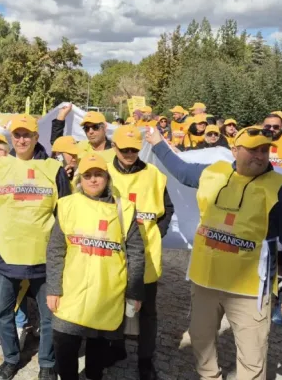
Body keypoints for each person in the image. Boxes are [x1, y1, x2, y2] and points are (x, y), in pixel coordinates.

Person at [146, 126, 282, 380]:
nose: (260, 155)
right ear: (234, 150)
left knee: (252, 354)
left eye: (265, 150)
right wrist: (157, 143)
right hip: (205, 281)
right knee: (200, 339)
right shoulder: (213, 173)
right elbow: (179, 170)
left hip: (249, 290)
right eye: (252, 149)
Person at [0, 114, 72, 380]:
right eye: (17, 135)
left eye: (26, 135)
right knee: (3, 313)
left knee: (49, 316)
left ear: (35, 137)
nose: (21, 139)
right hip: (7, 255)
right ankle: (10, 358)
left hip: (44, 256)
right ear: (11, 138)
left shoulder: (54, 169)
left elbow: (66, 214)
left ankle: (46, 363)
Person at [47, 153, 146, 380]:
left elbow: (136, 253)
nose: (93, 180)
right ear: (80, 179)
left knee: (98, 350)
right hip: (71, 292)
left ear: (107, 178)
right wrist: (53, 288)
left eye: (98, 175)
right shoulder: (67, 205)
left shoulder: (124, 209)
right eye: (88, 175)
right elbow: (55, 250)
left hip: (107, 293)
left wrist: (134, 293)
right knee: (64, 345)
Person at [107, 125, 174, 378]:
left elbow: (167, 209)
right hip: (111, 253)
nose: (129, 154)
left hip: (146, 254)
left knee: (146, 310)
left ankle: (146, 359)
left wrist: (158, 233)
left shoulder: (154, 175)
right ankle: (117, 347)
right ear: (114, 147)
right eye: (124, 149)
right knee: (114, 304)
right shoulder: (103, 172)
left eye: (134, 149)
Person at [0, 132, 33, 350]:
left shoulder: (16, 173)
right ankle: (2, 322)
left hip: (13, 241)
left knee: (17, 285)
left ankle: (19, 324)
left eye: (1, 150)